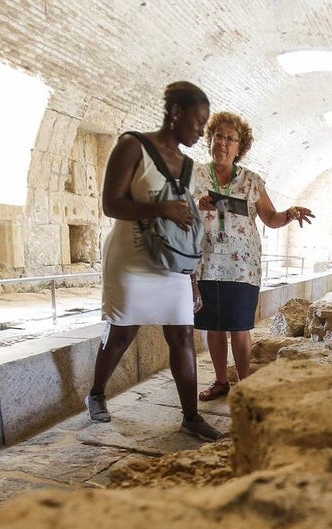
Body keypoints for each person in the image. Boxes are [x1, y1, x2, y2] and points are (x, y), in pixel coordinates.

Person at [84, 81, 221, 441]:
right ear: (175, 114)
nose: (202, 130)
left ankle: (191, 416)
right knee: (122, 333)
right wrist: (162, 207)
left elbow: (183, 223)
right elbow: (111, 204)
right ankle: (96, 394)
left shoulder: (188, 165)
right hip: (132, 258)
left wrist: (192, 278)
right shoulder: (133, 146)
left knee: (183, 334)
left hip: (173, 262)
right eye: (198, 121)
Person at [192, 112, 314, 401]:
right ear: (209, 141)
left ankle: (244, 385)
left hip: (242, 268)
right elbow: (176, 211)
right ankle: (221, 381)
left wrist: (289, 214)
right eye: (218, 136)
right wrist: (195, 204)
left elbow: (270, 217)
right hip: (206, 265)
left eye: (230, 139)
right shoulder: (194, 176)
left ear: (240, 147)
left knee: (240, 328)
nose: (222, 142)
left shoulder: (251, 181)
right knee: (214, 328)